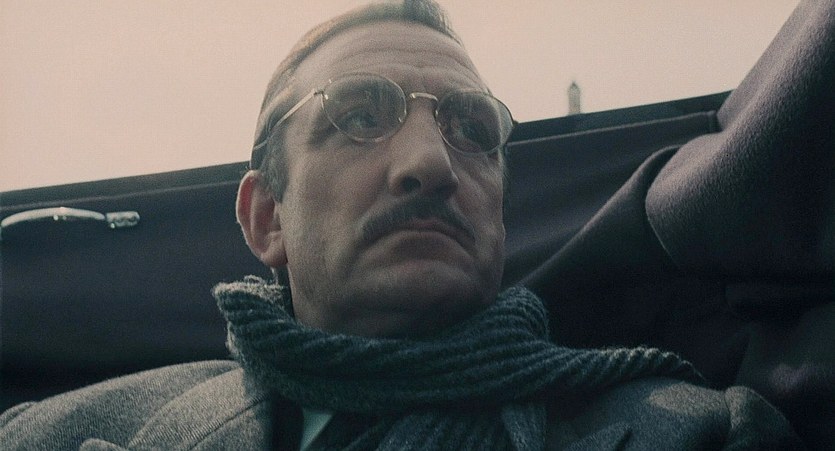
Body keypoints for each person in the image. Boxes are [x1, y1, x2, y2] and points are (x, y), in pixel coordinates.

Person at [0, 0, 803, 449]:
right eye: (358, 116)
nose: (431, 163)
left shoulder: (702, 434)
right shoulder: (48, 435)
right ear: (266, 215)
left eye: (471, 129)